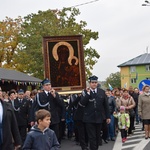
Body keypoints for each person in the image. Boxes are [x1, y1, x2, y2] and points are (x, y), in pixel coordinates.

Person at [80, 75, 110, 150]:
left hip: (99, 118)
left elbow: (106, 105)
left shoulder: (102, 92)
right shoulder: (85, 92)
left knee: (97, 137)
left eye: (95, 82)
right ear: (89, 83)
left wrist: (108, 116)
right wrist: (88, 94)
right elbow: (82, 103)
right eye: (92, 82)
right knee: (92, 137)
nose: (94, 84)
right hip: (89, 118)